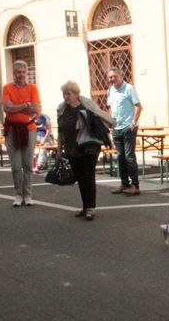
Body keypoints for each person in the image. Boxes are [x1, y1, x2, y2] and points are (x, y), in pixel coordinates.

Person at [56, 80, 115, 220]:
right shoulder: (62, 109)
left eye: (68, 94)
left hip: (89, 147)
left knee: (88, 176)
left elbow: (99, 120)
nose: (66, 97)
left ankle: (90, 208)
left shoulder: (87, 106)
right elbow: (60, 130)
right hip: (71, 148)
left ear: (76, 94)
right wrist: (59, 149)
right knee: (80, 177)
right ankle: (85, 206)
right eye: (64, 94)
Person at [2, 60, 42, 207]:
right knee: (15, 166)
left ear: (27, 73)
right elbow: (7, 108)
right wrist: (25, 105)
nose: (21, 75)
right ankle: (18, 194)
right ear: (14, 73)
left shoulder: (33, 88)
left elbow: (36, 109)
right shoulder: (7, 88)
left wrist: (16, 107)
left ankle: (28, 195)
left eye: (23, 72)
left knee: (28, 165)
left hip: (29, 129)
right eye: (18, 72)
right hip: (12, 130)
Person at [106, 68, 142, 196]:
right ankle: (124, 183)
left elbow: (138, 106)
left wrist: (133, 123)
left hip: (128, 127)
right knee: (120, 157)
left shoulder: (129, 88)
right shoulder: (110, 90)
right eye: (110, 77)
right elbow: (110, 108)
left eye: (114, 76)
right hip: (116, 128)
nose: (112, 79)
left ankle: (135, 185)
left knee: (129, 157)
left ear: (121, 75)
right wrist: (111, 122)